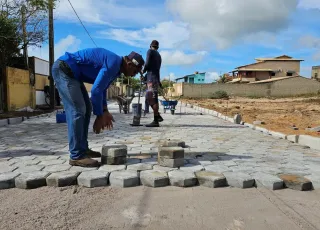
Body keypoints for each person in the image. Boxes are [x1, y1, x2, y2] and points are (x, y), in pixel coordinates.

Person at [52, 48, 144, 167]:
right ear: (130, 64)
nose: (135, 74)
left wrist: (104, 110)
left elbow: (102, 89)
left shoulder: (116, 68)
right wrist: (99, 115)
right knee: (78, 110)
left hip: (74, 74)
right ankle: (76, 156)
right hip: (64, 69)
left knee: (87, 108)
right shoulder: (113, 63)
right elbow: (95, 91)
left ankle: (83, 149)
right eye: (136, 71)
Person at [142, 40, 163, 127]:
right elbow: (155, 69)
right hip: (154, 79)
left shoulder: (150, 51)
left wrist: (143, 71)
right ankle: (157, 116)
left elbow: (147, 64)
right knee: (151, 98)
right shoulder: (159, 56)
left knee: (151, 99)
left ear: (150, 46)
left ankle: (156, 120)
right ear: (157, 47)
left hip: (152, 80)